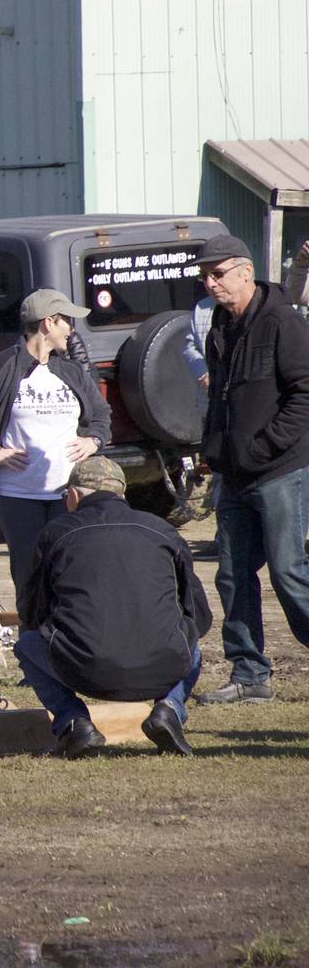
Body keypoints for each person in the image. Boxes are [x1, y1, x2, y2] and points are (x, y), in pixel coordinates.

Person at [14, 456, 210, 758]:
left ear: (75, 495)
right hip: (163, 665)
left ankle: (73, 723)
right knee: (193, 648)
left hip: (84, 669)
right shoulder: (164, 531)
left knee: (27, 643)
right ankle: (170, 708)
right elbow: (200, 615)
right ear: (121, 493)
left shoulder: (55, 533)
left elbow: (32, 612)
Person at [189, 234, 309, 706]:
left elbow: (304, 392)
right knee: (233, 575)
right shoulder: (221, 323)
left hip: (280, 469)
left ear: (244, 270)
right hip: (233, 474)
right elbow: (220, 394)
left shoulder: (283, 320)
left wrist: (266, 445)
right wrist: (210, 448)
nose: (210, 282)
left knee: (288, 571)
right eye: (204, 275)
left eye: (217, 273)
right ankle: (250, 673)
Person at [0, 289, 110, 600]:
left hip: (68, 493)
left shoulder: (70, 370)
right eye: (67, 322)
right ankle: (31, 643)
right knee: (29, 577)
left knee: (70, 573)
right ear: (48, 322)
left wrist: (94, 439)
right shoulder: (1, 366)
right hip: (19, 496)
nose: (71, 330)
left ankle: (66, 643)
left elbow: (101, 413)